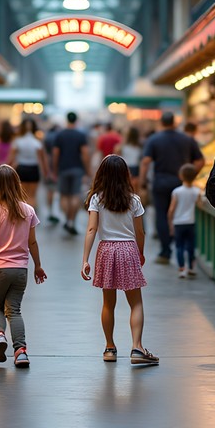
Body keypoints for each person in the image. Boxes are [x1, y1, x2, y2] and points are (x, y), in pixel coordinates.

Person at [80, 155, 158, 366]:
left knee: (108, 304)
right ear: (126, 175)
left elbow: (91, 229)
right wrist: (140, 253)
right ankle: (137, 347)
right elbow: (140, 231)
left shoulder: (97, 198)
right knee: (136, 303)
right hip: (128, 249)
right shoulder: (134, 200)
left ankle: (109, 348)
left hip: (106, 250)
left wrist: (85, 259)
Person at [0, 165, 47, 368]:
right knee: (15, 311)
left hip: (0, 269)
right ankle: (21, 352)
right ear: (17, 184)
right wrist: (38, 266)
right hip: (20, 270)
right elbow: (32, 242)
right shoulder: (28, 210)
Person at [139, 112, 204, 264]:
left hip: (160, 183)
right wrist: (190, 175)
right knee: (180, 214)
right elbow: (200, 160)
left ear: (161, 123)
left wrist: (142, 181)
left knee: (161, 215)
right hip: (180, 183)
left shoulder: (154, 139)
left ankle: (165, 251)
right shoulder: (186, 139)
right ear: (174, 122)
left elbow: (146, 161)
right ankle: (183, 249)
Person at [51, 112, 89, 235]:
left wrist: (55, 169)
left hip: (63, 168)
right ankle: (71, 221)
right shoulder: (81, 135)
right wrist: (87, 170)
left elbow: (55, 154)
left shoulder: (60, 135)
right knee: (75, 195)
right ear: (76, 120)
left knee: (64, 196)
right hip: (77, 168)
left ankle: (67, 219)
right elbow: (84, 154)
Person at [168, 163, 201, 279]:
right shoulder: (196, 191)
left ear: (180, 176)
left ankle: (182, 268)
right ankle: (191, 267)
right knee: (190, 246)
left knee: (179, 246)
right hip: (190, 222)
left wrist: (170, 223)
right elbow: (200, 204)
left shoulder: (177, 191)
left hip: (178, 223)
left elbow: (172, 209)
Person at [9, 118, 47, 209]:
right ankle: (31, 218)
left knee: (22, 195)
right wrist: (45, 171)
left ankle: (23, 217)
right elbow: (42, 158)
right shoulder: (37, 141)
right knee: (32, 195)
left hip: (21, 168)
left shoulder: (17, 141)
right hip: (34, 168)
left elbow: (11, 158)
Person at [43, 123, 61, 223]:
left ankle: (50, 211)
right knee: (58, 191)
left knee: (49, 191)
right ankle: (56, 212)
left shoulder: (46, 138)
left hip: (48, 167)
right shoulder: (59, 138)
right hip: (58, 167)